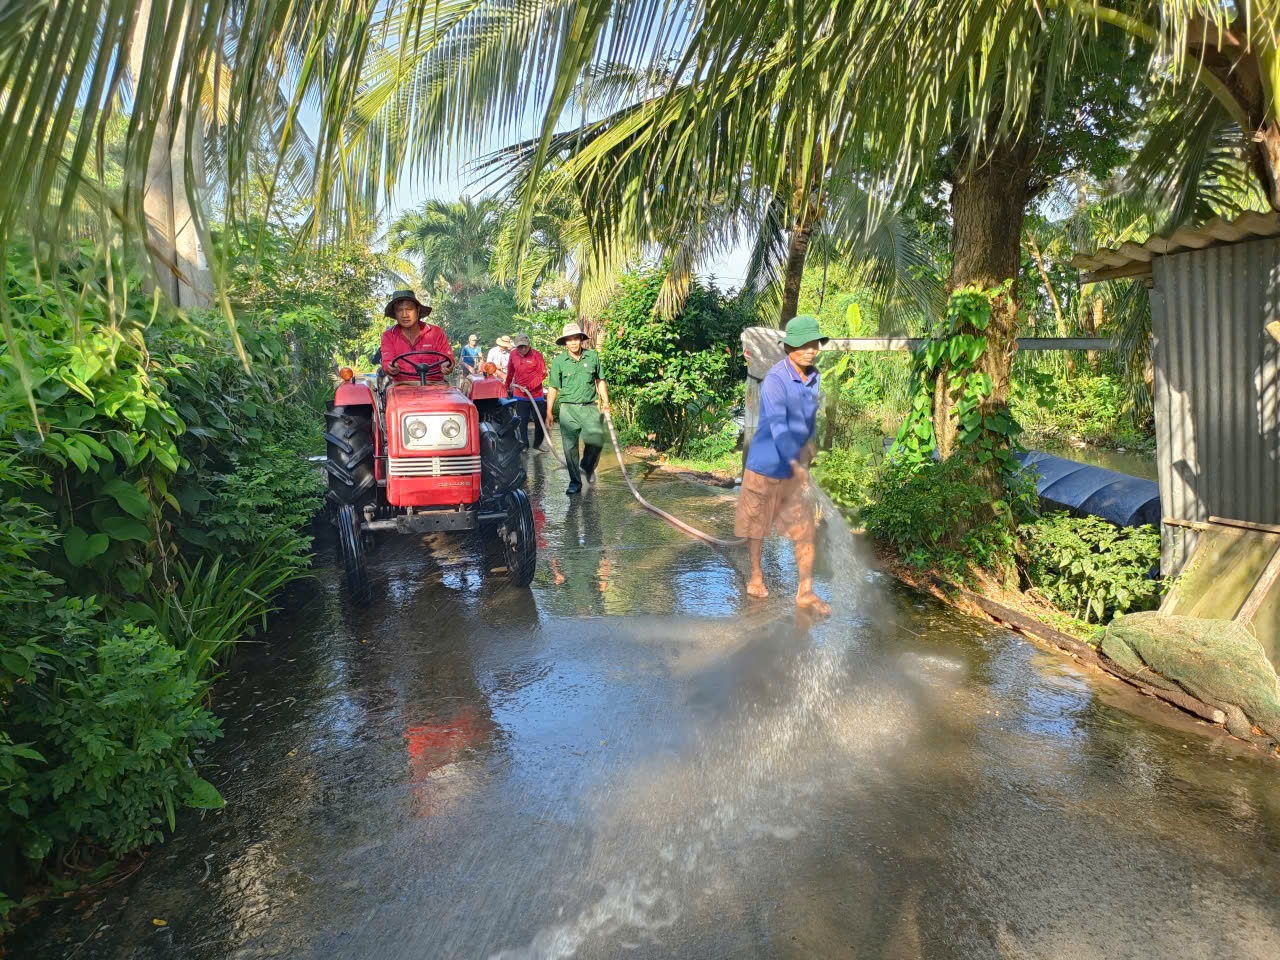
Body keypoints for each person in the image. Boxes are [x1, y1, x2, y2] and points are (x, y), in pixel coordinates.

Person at [735, 314, 831, 615]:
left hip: (793, 468)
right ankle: (755, 575)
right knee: (758, 525)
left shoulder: (814, 378)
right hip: (765, 466)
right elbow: (777, 426)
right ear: (789, 347)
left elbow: (807, 419)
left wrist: (810, 444)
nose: (810, 350)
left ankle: (805, 592)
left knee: (804, 530)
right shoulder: (776, 379)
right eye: (803, 345)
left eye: (814, 344)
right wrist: (795, 462)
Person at [545, 322, 610, 495]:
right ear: (565, 342)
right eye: (569, 339)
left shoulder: (592, 357)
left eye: (576, 339)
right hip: (568, 409)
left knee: (596, 441)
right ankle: (575, 482)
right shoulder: (559, 362)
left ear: (582, 340)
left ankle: (587, 467)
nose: (573, 343)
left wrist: (605, 402)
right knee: (570, 447)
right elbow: (553, 388)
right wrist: (549, 411)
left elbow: (600, 380)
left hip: (589, 407)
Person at [379, 289, 453, 382]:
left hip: (434, 384)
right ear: (395, 314)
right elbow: (387, 361)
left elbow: (447, 356)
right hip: (402, 385)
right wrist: (391, 368)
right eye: (399, 310)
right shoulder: (388, 336)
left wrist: (447, 364)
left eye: (409, 309)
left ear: (417, 310)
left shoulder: (436, 332)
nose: (405, 315)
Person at [505, 333, 549, 451]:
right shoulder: (513, 354)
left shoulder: (536, 355)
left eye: (525, 346)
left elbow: (543, 374)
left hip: (536, 394)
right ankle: (524, 444)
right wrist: (506, 385)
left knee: (540, 420)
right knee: (522, 421)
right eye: (520, 347)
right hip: (520, 394)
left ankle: (538, 443)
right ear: (516, 347)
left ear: (529, 345)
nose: (523, 349)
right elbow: (510, 371)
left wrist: (530, 386)